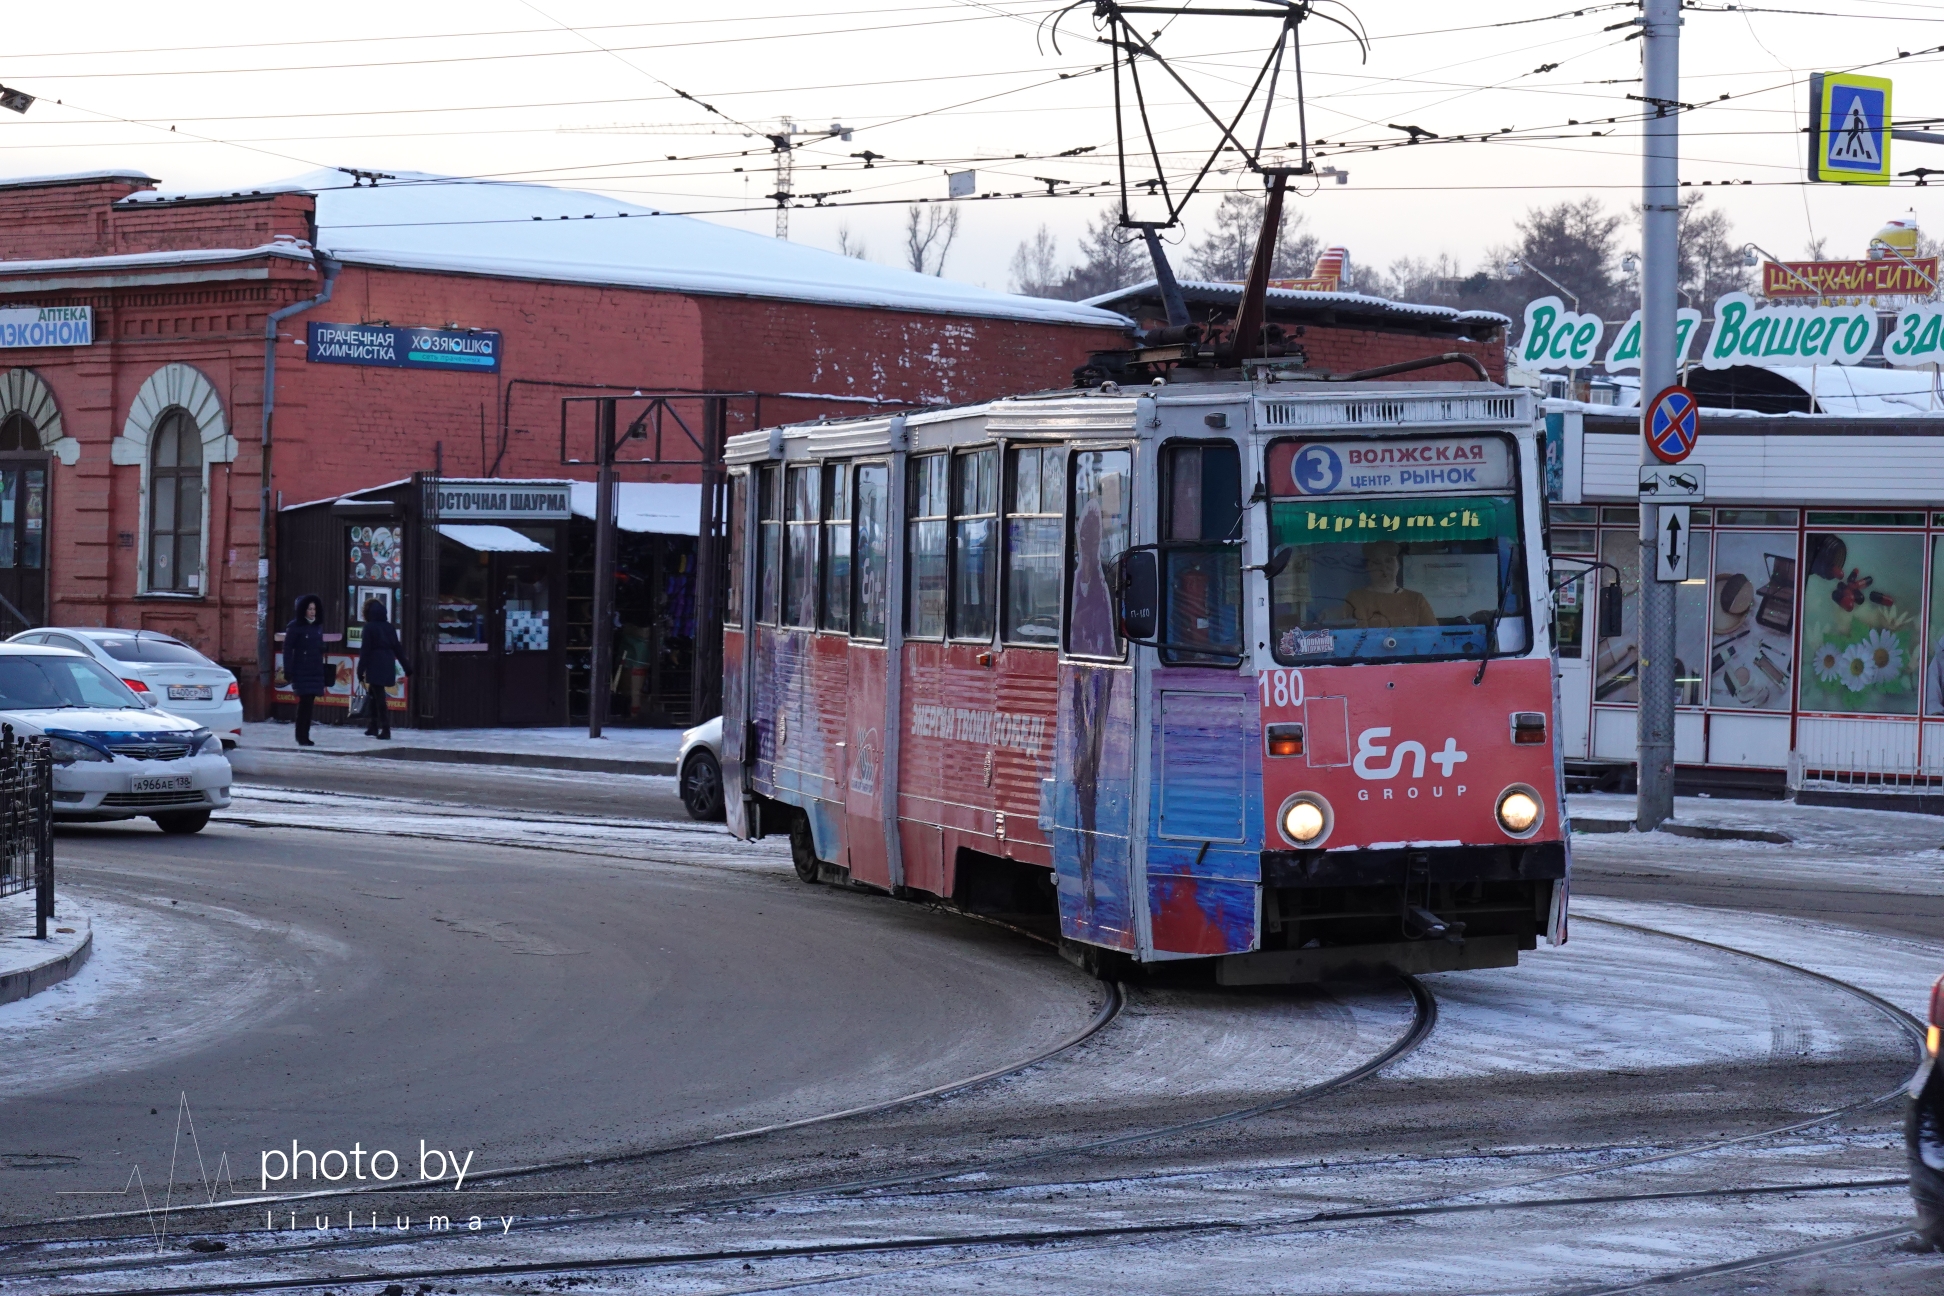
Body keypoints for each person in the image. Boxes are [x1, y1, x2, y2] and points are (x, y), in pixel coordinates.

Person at [1345, 541, 1437, 629]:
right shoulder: (1356, 598)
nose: (1383, 567)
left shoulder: (1417, 600)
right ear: (1368, 566)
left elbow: (1434, 637)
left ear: (1398, 564)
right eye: (1376, 562)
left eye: (1389, 560)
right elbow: (1359, 639)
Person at [356, 597, 410, 739]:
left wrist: (360, 670)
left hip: (374, 665)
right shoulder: (389, 627)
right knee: (374, 695)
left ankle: (385, 728)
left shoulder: (369, 628)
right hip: (387, 663)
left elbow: (365, 651)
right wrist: (407, 667)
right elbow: (398, 648)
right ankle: (373, 726)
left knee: (379, 698)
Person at [282, 594, 328, 747]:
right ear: (303, 610)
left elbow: (319, 646)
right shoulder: (295, 626)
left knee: (309, 704)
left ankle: (304, 735)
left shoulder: (317, 627)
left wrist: (322, 648)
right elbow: (288, 649)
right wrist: (288, 670)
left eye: (314, 609)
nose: (312, 612)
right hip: (301, 669)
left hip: (315, 670)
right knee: (305, 703)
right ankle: (301, 736)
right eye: (309, 609)